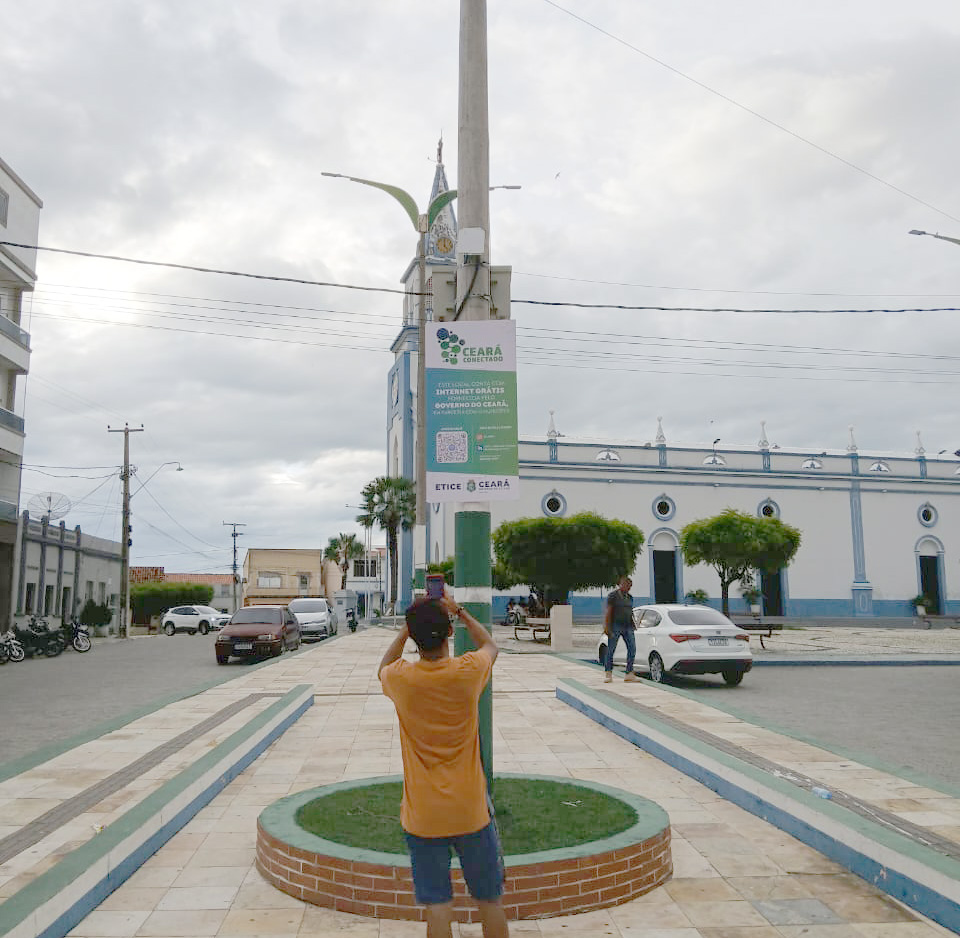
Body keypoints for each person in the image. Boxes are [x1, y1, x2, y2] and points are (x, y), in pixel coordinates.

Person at [379, 593, 509, 938]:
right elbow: (491, 647)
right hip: (470, 810)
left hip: (423, 814)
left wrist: (407, 629)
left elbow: (383, 666)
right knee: (489, 900)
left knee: (437, 906)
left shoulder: (402, 679)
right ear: (449, 633)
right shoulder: (467, 671)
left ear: (415, 636)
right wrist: (461, 612)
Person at [604, 576, 640, 683]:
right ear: (621, 584)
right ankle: (608, 673)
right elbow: (608, 612)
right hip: (615, 625)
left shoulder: (630, 597)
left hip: (628, 626)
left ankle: (629, 673)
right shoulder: (613, 596)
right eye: (626, 585)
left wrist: (634, 623)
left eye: (630, 586)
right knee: (611, 649)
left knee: (632, 648)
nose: (628, 588)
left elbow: (630, 611)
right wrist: (606, 626)